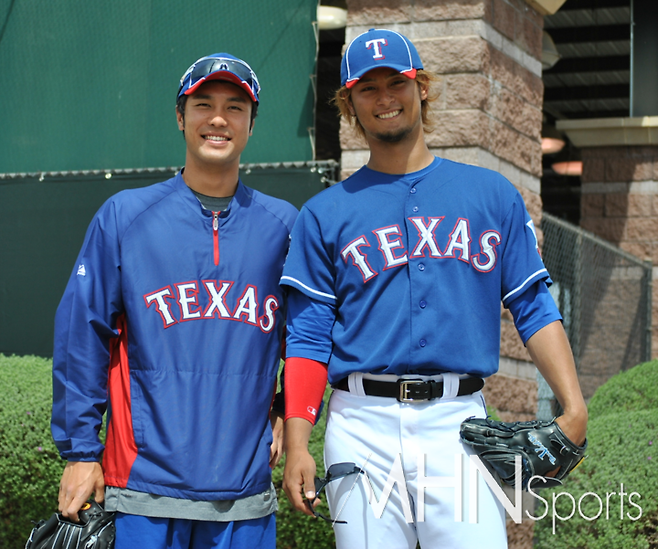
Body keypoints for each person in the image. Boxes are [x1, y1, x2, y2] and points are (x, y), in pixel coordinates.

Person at [280, 28, 588, 549]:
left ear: (421, 86)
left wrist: (573, 406)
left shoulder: (490, 194)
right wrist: (297, 442)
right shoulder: (324, 214)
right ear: (349, 103)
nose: (384, 98)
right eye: (367, 88)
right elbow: (308, 337)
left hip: (458, 424)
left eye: (396, 82)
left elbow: (533, 305)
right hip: (360, 425)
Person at [51, 53, 298, 549]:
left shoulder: (284, 227)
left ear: (251, 125)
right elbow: (83, 336)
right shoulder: (125, 216)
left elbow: (309, 335)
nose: (218, 119)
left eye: (235, 107)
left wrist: (286, 407)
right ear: (181, 118)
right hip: (143, 490)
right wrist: (80, 452)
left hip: (243, 494)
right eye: (203, 104)